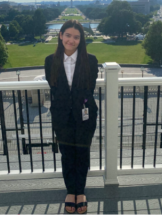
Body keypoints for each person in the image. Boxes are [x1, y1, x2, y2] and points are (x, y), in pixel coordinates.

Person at [44, 20, 98, 214]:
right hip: (61, 117)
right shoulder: (50, 60)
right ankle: (70, 191)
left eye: (76, 37)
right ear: (60, 35)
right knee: (67, 154)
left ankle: (80, 191)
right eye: (68, 35)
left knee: (82, 154)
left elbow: (88, 90)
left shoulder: (90, 60)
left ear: (81, 39)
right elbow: (54, 88)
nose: (71, 40)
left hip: (85, 116)